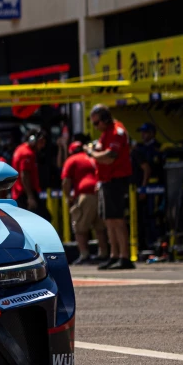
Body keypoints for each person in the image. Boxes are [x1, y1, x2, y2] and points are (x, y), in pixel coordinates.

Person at [86, 103, 135, 270]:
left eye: (97, 122)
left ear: (105, 119)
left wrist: (91, 153)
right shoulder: (105, 133)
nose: (96, 126)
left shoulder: (116, 131)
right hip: (106, 181)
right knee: (109, 221)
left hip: (116, 180)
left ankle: (124, 256)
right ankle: (114, 255)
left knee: (117, 220)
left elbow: (110, 157)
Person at [62, 135, 105, 265]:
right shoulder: (92, 158)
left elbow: (66, 182)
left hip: (85, 195)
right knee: (100, 227)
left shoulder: (71, 160)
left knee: (79, 226)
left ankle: (84, 255)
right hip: (99, 192)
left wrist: (68, 197)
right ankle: (104, 254)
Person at [10, 130, 46, 213]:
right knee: (44, 218)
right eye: (41, 142)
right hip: (24, 194)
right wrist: (30, 197)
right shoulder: (27, 153)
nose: (43, 145)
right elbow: (25, 176)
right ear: (33, 140)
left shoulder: (20, 149)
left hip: (20, 193)